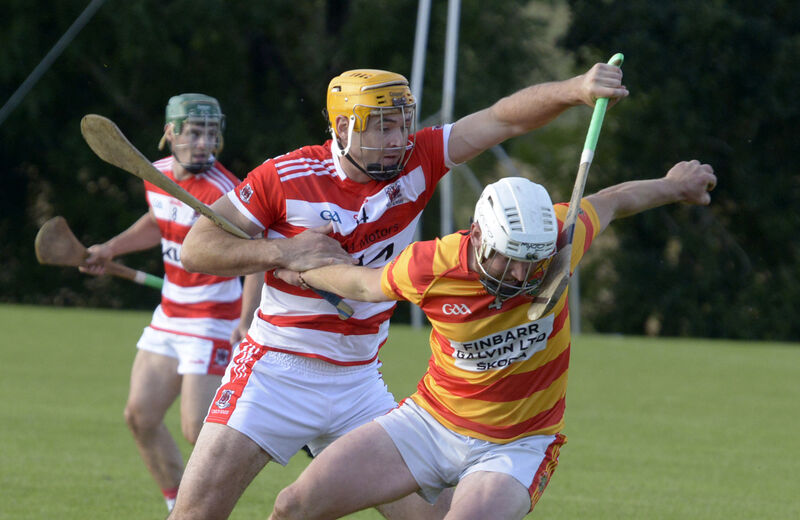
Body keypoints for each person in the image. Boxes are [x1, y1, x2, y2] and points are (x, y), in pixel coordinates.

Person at [170, 63, 629, 519]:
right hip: (277, 370)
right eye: (383, 128)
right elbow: (197, 248)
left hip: (360, 379)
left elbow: (502, 118)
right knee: (196, 514)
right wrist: (284, 252)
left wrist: (575, 89)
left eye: (403, 125)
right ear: (344, 127)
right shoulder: (285, 176)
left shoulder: (419, 160)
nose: (399, 140)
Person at [267, 162, 716, 520]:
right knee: (293, 507)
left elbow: (612, 201)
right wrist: (296, 266)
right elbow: (363, 284)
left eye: (533, 263)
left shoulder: (559, 239)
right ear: (479, 236)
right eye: (508, 259)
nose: (522, 276)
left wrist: (674, 185)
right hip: (428, 424)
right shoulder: (433, 266)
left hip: (517, 445)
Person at [80, 93, 249, 513]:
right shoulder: (153, 174)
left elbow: (258, 252)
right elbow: (158, 221)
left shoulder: (223, 191)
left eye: (211, 133)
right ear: (170, 133)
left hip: (213, 320)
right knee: (140, 416)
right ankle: (178, 507)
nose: (204, 143)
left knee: (198, 431)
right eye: (194, 132)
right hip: (169, 315)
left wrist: (248, 317)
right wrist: (112, 248)